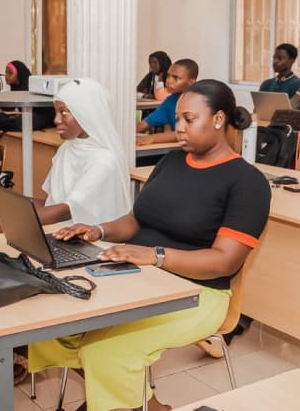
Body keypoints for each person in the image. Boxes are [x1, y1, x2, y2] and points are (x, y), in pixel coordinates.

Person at [29, 79, 271, 411]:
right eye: (179, 120)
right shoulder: (171, 162)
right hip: (139, 279)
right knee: (55, 324)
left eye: (190, 119)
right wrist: (98, 230)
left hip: (199, 294)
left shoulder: (247, 182)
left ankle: (123, 401)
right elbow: (136, 220)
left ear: (218, 120)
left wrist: (154, 255)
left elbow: (224, 261)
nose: (180, 129)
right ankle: (135, 401)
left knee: (106, 350)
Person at [0, 78, 132, 234]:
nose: (56, 120)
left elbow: (66, 210)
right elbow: (51, 204)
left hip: (93, 243)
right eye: (56, 112)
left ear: (86, 114)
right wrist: (5, 200)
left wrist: (12, 220)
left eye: (64, 113)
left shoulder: (104, 161)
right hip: (63, 232)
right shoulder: (67, 148)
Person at [136, 58, 199, 146]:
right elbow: (144, 124)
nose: (168, 81)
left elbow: (186, 133)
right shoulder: (170, 101)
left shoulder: (198, 102)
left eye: (176, 78)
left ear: (191, 82)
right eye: (168, 76)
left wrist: (150, 138)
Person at [0, 60, 54, 131]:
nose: (6, 76)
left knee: (20, 121)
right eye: (6, 72)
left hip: (44, 118)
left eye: (10, 73)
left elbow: (44, 110)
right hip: (27, 116)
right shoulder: (15, 87)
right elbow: (11, 108)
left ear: (19, 74)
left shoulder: (31, 87)